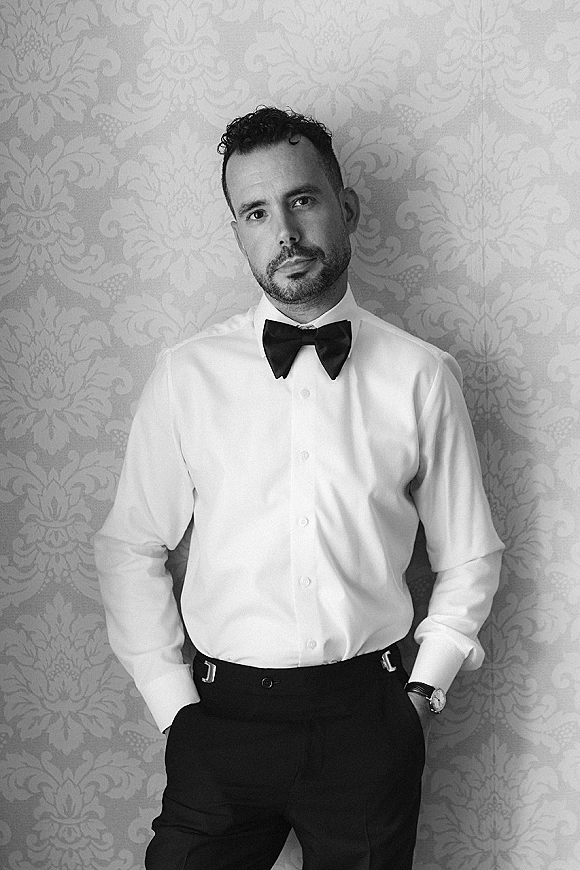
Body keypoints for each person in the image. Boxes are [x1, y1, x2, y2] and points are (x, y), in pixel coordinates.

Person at [94, 106, 504, 870]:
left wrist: (420, 697)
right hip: (221, 723)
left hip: (369, 721)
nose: (281, 231)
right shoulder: (186, 376)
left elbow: (471, 554)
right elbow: (130, 544)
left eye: (301, 200)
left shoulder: (422, 375)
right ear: (238, 230)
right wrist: (174, 708)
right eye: (255, 212)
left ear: (344, 209)